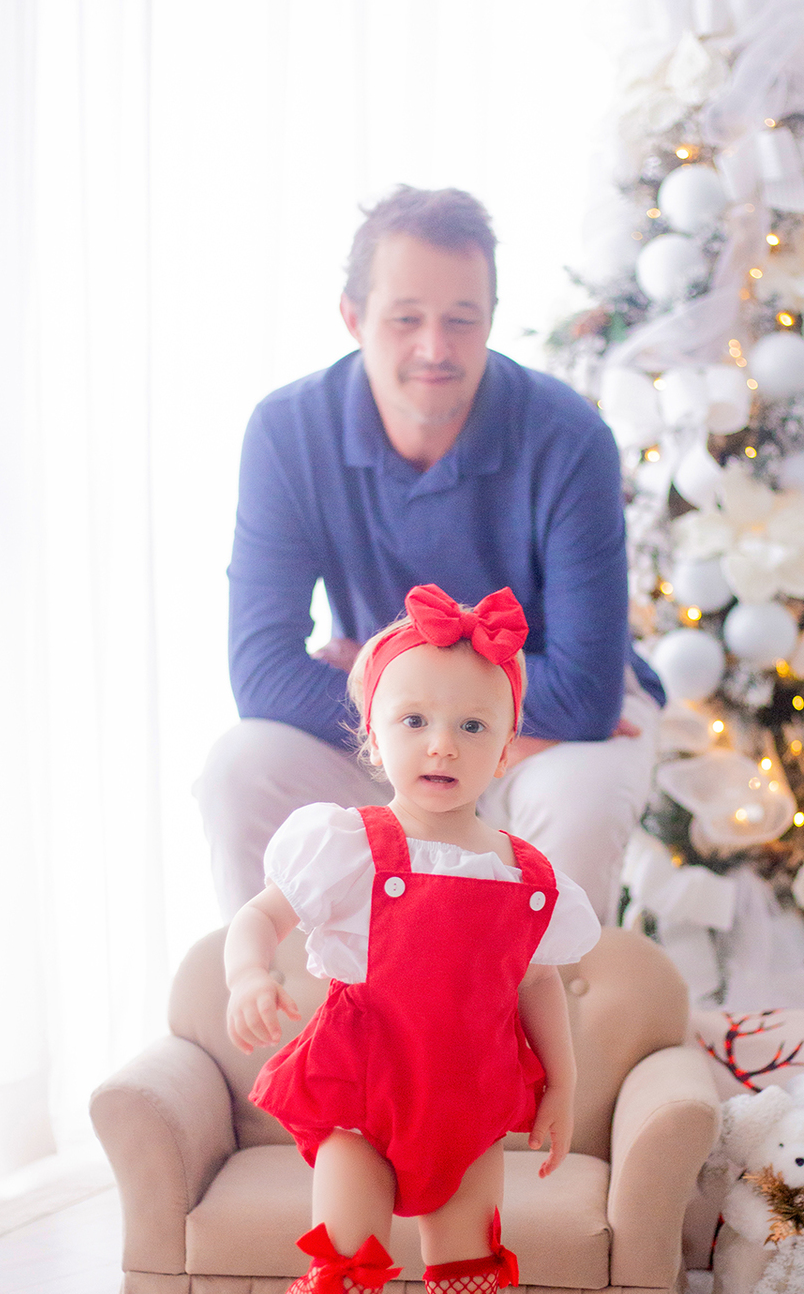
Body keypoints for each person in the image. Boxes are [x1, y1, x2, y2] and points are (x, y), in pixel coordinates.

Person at [196, 185, 663, 924]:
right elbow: (260, 676)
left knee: (583, 796)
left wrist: (405, 690)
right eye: (406, 319)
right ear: (353, 317)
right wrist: (417, 715)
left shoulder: (571, 437)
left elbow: (585, 693)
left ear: (491, 321)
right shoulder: (287, 431)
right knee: (241, 767)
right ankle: (288, 1021)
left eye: (461, 320)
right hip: (400, 721)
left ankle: (548, 1034)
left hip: (538, 735)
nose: (435, 349)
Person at [224, 584, 600, 1294]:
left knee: (468, 1271)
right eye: (417, 719)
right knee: (349, 1262)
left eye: (475, 728)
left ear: (506, 748)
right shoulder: (347, 845)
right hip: (361, 1089)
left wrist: (561, 1085)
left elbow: (538, 980)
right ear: (372, 733)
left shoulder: (527, 874)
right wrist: (249, 975)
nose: (444, 743)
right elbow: (259, 917)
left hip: (464, 1094)